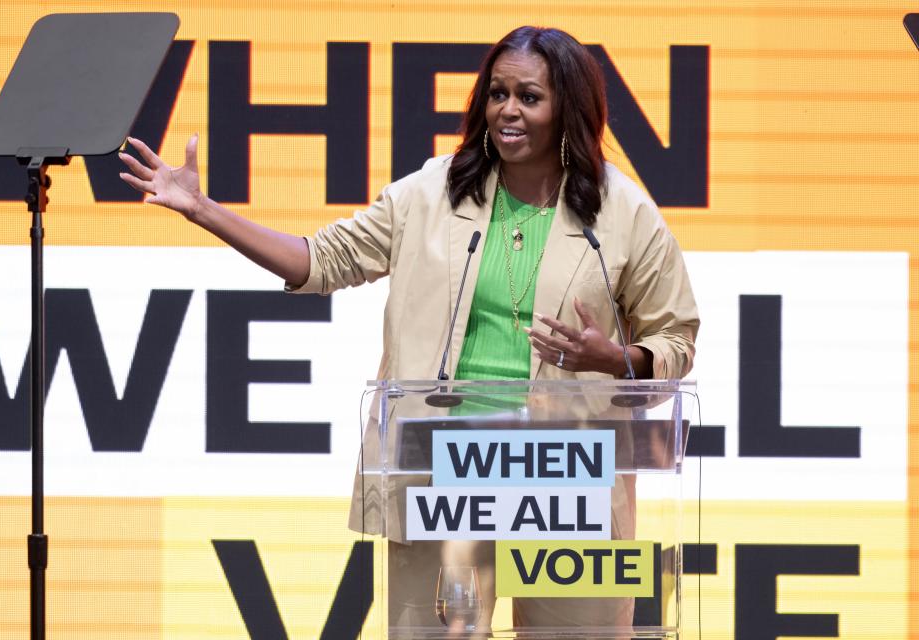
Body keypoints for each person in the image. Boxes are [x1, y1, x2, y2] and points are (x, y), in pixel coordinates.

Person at [120, 25, 698, 634]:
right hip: (446, 471)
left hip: (569, 477)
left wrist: (616, 359)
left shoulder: (623, 210)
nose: (507, 109)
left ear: (569, 111)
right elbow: (321, 260)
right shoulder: (431, 192)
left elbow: (676, 339)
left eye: (529, 97)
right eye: (497, 92)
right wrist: (203, 210)